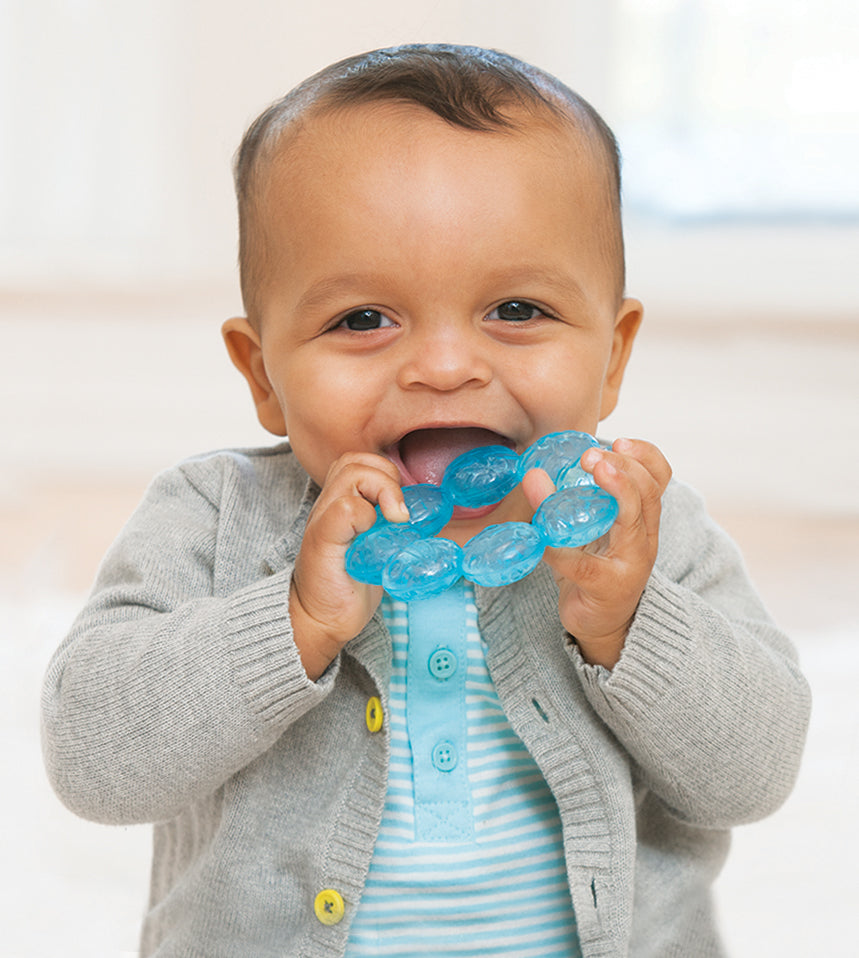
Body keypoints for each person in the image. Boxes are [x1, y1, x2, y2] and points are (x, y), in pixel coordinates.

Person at [41, 44, 811, 957]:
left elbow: (753, 775)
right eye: (363, 319)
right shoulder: (214, 518)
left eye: (516, 310)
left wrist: (630, 624)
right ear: (263, 375)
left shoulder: (635, 531)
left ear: (612, 355)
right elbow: (93, 763)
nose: (445, 367)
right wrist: (290, 623)